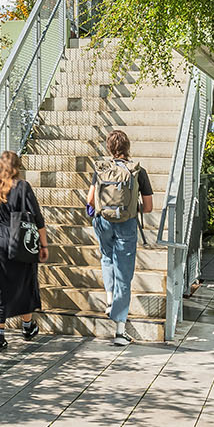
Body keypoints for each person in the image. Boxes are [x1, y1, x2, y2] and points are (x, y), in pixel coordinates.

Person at [86, 129, 154, 346]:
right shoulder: (137, 171)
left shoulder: (101, 169)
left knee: (106, 258)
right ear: (128, 147)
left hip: (103, 223)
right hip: (126, 224)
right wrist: (130, 206)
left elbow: (90, 200)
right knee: (124, 275)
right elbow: (149, 207)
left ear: (109, 148)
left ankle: (108, 301)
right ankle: (120, 332)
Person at [0, 151, 48, 351]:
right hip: (19, 241)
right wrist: (44, 245)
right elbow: (37, 218)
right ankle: (27, 327)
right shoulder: (22, 187)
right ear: (17, 167)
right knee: (24, 281)